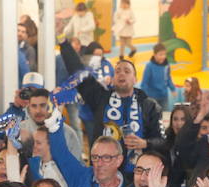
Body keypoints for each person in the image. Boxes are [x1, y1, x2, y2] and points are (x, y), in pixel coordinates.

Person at [60, 40, 164, 168]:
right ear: (113, 79)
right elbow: (79, 72)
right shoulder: (100, 97)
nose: (121, 73)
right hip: (103, 173)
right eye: (118, 71)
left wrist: (145, 143)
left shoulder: (149, 105)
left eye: (127, 71)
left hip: (136, 176)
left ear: (135, 79)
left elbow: (162, 142)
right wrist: (64, 42)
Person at [141, 44, 176, 112]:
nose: (163, 57)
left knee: (165, 114)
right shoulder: (149, 66)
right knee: (153, 116)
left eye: (164, 54)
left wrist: (173, 89)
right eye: (160, 54)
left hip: (164, 96)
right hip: (152, 97)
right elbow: (145, 83)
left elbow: (168, 78)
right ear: (154, 55)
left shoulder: (166, 65)